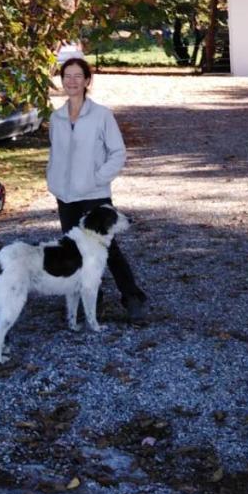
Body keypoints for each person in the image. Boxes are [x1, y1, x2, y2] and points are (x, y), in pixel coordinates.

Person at [46, 57, 148, 323]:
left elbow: (118, 152)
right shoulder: (56, 117)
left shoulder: (101, 115)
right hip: (66, 196)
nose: (72, 81)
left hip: (94, 195)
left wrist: (97, 178)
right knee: (75, 250)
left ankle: (132, 298)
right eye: (67, 76)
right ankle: (92, 300)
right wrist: (53, 181)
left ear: (87, 80)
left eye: (78, 76)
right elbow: (55, 154)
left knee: (108, 248)